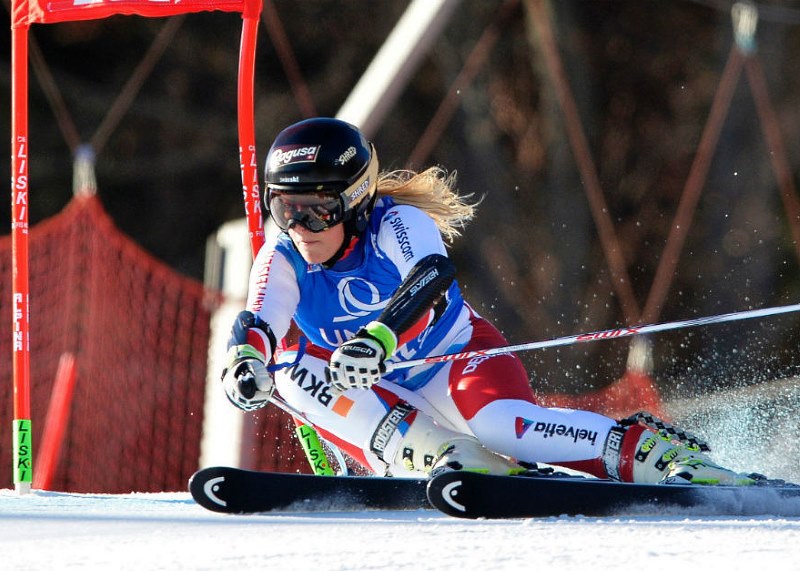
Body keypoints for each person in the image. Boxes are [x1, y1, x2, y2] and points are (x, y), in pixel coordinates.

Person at [221, 116, 756, 485]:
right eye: (284, 209)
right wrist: (244, 362)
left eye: (316, 211)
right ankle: (452, 460)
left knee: (506, 428)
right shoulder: (284, 253)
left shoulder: (398, 223)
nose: (298, 226)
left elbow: (430, 280)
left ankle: (653, 456)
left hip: (454, 362)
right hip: (381, 397)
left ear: (356, 200)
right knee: (290, 369)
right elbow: (261, 320)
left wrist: (378, 339)